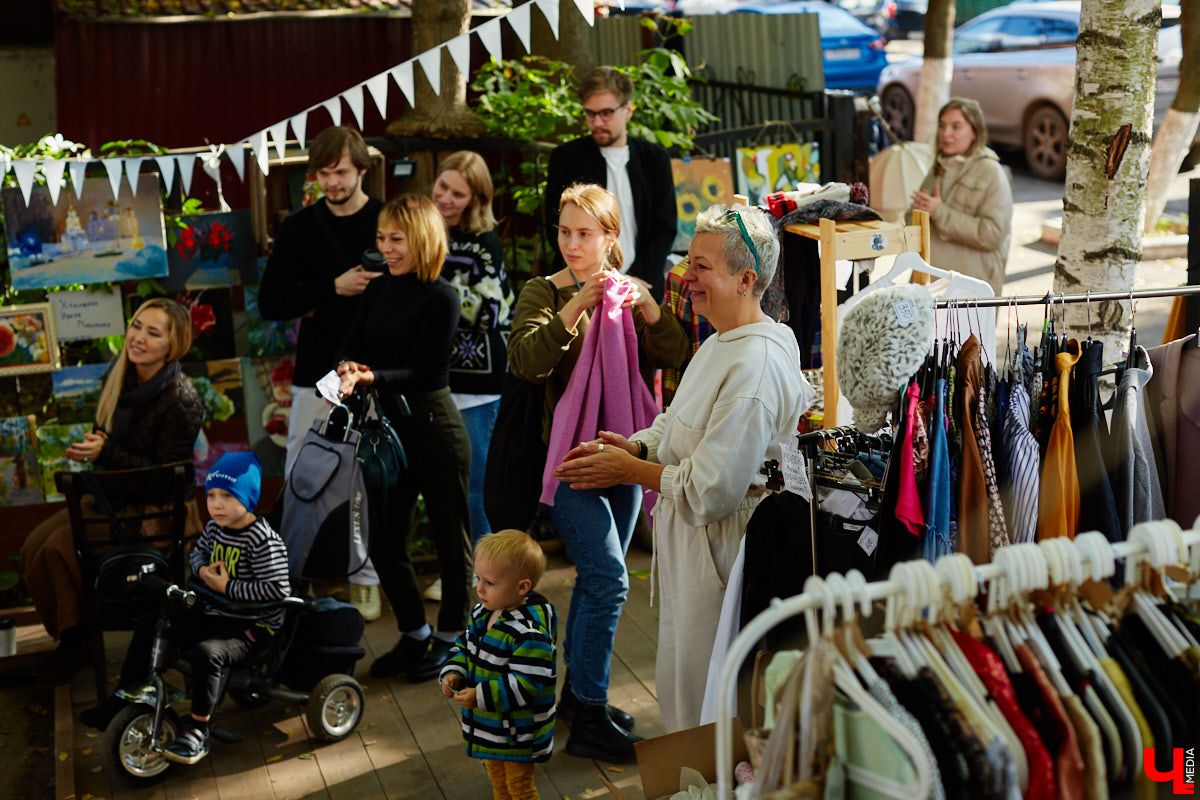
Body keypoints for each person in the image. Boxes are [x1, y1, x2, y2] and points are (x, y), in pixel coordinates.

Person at [552, 204, 813, 732]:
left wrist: (626, 470)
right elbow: (674, 422)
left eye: (701, 267)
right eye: (688, 262)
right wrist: (638, 447)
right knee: (684, 692)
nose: (684, 278)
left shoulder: (755, 364)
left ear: (746, 279)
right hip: (695, 551)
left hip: (723, 555)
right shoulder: (720, 339)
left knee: (707, 706)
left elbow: (711, 490)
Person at [509, 183, 688, 762]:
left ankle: (578, 699)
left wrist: (650, 306)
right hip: (569, 463)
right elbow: (527, 362)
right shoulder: (544, 290)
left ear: (612, 238)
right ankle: (588, 714)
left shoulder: (632, 293)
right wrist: (576, 304)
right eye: (564, 232)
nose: (571, 243)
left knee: (592, 580)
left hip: (626, 452)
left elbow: (674, 353)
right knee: (610, 577)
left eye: (584, 233)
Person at [22, 297, 205, 685]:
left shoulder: (181, 398)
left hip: (160, 511)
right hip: (116, 497)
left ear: (172, 346)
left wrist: (108, 453)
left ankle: (78, 644)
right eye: (136, 326)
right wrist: (97, 446)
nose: (137, 338)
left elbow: (165, 477)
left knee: (58, 549)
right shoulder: (119, 374)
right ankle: (76, 634)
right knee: (33, 544)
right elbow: (109, 434)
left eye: (152, 333)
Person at [335, 194, 472, 684]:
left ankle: (452, 637)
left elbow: (424, 371)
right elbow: (351, 341)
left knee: (451, 541)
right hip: (388, 432)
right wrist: (348, 364)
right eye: (381, 239)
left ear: (422, 239)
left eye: (396, 239)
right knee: (383, 536)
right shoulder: (377, 290)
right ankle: (414, 632)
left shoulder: (442, 296)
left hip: (433, 427)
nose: (386, 249)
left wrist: (369, 377)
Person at [78, 452, 290, 765]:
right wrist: (203, 572)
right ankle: (126, 693)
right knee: (154, 622)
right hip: (216, 613)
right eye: (212, 496)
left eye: (227, 496)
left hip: (254, 626)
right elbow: (196, 553)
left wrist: (227, 587)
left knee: (208, 653)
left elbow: (278, 590)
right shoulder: (216, 528)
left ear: (249, 498)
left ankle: (198, 730)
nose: (216, 504)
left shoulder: (263, 541)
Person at [257, 126, 385, 621]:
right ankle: (295, 578)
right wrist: (333, 286)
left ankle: (367, 577)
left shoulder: (383, 221)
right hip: (317, 370)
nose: (332, 183)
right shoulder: (299, 226)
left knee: (367, 475)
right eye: (325, 174)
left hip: (374, 369)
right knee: (302, 471)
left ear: (361, 169)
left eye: (341, 173)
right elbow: (271, 301)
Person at [424, 151, 515, 604]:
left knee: (477, 484)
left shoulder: (483, 243)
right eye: (442, 187)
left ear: (476, 198)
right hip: (433, 377)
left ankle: (486, 576)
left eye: (458, 193)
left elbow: (492, 310)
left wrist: (432, 281)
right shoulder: (423, 232)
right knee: (443, 485)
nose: (446, 198)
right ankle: (459, 570)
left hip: (478, 382)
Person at [439, 530, 557, 800]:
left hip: (518, 734)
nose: (479, 588)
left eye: (489, 582)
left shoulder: (529, 634)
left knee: (520, 788)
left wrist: (479, 695)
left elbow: (526, 686)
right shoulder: (482, 614)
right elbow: (463, 647)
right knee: (497, 780)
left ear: (522, 587)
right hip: (490, 728)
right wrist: (455, 671)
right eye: (478, 578)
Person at [544, 67, 676, 303]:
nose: (597, 122)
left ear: (627, 110)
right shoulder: (566, 158)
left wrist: (636, 278)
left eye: (606, 113)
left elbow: (664, 226)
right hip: (581, 285)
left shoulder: (654, 158)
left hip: (643, 284)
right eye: (590, 114)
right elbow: (555, 224)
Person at [910, 97, 1013, 296]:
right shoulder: (939, 167)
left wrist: (940, 212)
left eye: (956, 127)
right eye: (942, 126)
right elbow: (916, 217)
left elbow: (993, 234)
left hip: (969, 291)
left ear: (974, 132)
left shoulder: (991, 172)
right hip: (930, 285)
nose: (946, 134)